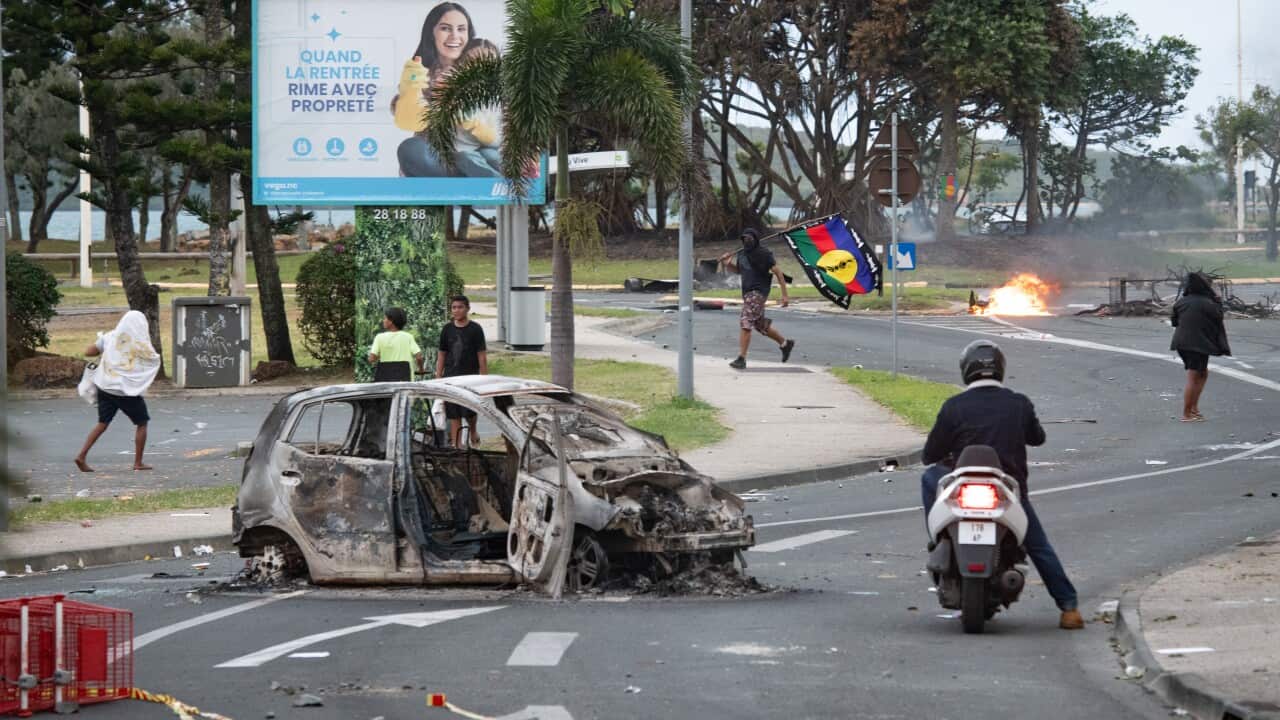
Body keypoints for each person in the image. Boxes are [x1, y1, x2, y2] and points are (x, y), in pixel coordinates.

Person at [919, 339, 1084, 630]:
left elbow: (929, 455)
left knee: (929, 477)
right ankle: (1069, 607)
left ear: (966, 371)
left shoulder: (954, 406)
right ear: (1000, 369)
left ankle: (938, 535)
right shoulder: (1018, 403)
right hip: (1008, 491)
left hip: (962, 492)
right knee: (1037, 545)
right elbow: (1038, 437)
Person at [391, 2, 502, 178]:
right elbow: (408, 121)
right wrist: (415, 91)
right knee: (412, 149)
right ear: (431, 33)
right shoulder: (421, 72)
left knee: (492, 152)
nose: (454, 36)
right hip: (441, 159)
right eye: (445, 28)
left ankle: (499, 184)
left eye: (461, 29)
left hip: (478, 154)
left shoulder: (481, 57)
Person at [74, 310, 161, 473]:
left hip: (105, 386)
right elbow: (150, 360)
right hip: (126, 391)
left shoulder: (110, 337)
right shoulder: (140, 343)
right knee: (142, 423)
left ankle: (82, 456)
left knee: (102, 423)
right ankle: (138, 462)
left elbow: (89, 352)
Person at [719, 228, 795, 369]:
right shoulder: (741, 254)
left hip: (758, 293)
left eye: (750, 239)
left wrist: (784, 295)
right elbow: (740, 271)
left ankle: (741, 358)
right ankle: (785, 344)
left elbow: (778, 272)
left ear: (755, 239)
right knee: (759, 325)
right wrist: (728, 264)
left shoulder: (764, 254)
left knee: (746, 321)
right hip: (747, 293)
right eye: (744, 239)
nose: (747, 241)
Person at [1170, 271, 1231, 422]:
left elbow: (1174, 322)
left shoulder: (1181, 302)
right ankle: (1186, 414)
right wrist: (1217, 302)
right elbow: (1218, 317)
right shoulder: (1208, 303)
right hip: (1197, 344)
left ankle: (1194, 409)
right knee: (1194, 376)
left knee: (1202, 373)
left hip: (1182, 343)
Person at [436, 295, 488, 446]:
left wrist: (484, 380)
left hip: (470, 378)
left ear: (467, 309)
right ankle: (457, 446)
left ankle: (473, 430)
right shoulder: (447, 329)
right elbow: (442, 354)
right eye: (454, 307)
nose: (457, 310)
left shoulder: (475, 329)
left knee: (470, 411)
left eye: (460, 307)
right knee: (453, 413)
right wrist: (439, 376)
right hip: (450, 377)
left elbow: (482, 356)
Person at [368, 307, 425, 381]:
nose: (383, 321)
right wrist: (421, 369)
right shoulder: (408, 337)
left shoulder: (379, 337)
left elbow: (371, 359)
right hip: (405, 379)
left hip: (386, 380)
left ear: (391, 321)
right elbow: (419, 357)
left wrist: (380, 355)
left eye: (385, 318)